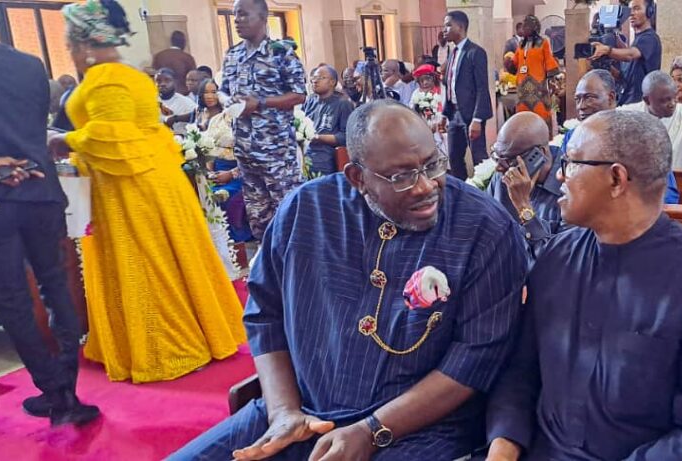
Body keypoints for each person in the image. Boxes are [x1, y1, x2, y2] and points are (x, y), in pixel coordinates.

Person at [171, 100, 527, 461]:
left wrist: (371, 430)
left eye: (432, 164)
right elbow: (265, 314)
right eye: (401, 175)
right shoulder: (304, 210)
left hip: (416, 431)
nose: (425, 186)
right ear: (357, 177)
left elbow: (474, 357)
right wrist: (282, 412)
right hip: (298, 413)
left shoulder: (485, 228)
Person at [484, 109, 682, 461]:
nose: (560, 175)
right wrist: (503, 449)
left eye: (571, 163)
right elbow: (520, 373)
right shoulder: (556, 258)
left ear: (616, 179)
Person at [47, 0, 246, 383]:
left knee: (146, 264)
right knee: (170, 259)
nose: (69, 48)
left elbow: (114, 135)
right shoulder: (131, 76)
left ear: (84, 41)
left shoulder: (107, 80)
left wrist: (64, 140)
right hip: (152, 179)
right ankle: (197, 333)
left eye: (70, 40)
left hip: (130, 189)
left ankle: (168, 347)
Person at [0, 0, 99, 426]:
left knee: (12, 301)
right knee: (55, 287)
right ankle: (67, 384)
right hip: (42, 191)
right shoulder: (31, 66)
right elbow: (35, 129)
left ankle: (53, 390)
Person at [220, 0, 307, 239]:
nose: (237, 20)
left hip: (276, 149)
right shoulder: (233, 54)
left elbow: (300, 94)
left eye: (244, 15)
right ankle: (267, 262)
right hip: (246, 149)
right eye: (235, 15)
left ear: (262, 17)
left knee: (288, 210)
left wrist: (261, 103)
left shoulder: (280, 52)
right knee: (258, 215)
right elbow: (224, 89)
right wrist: (229, 100)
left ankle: (296, 263)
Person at [569, 69, 680, 204]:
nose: (581, 106)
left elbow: (666, 195)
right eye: (577, 99)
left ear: (610, 98)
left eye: (589, 98)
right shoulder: (572, 137)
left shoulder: (640, 135)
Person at [485, 112, 564, 260]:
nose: (499, 168)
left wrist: (523, 206)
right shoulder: (503, 177)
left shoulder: (569, 186)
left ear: (538, 155)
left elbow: (557, 260)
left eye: (508, 160)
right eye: (497, 157)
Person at [196, 78, 252, 243]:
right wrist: (210, 174)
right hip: (218, 169)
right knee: (204, 194)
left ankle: (235, 240)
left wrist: (231, 174)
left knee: (222, 195)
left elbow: (253, 157)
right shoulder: (216, 120)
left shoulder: (250, 121)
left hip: (243, 172)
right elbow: (210, 150)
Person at [441, 10, 493, 179]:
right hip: (454, 114)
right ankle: (463, 191)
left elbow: (482, 88)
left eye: (448, 25)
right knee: (454, 158)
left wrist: (477, 119)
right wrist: (444, 113)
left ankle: (487, 192)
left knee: (479, 157)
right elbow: (449, 84)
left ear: (461, 27)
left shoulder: (475, 52)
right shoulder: (452, 53)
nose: (444, 29)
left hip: (471, 114)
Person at [590, 0, 661, 106]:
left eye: (637, 8)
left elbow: (630, 55)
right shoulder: (636, 41)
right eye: (630, 9)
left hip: (640, 105)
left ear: (649, 12)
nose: (631, 13)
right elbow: (623, 77)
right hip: (626, 102)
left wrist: (607, 50)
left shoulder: (650, 38)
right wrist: (606, 66)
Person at [302, 65, 353, 178]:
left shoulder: (343, 103)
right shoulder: (310, 100)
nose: (315, 81)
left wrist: (318, 138)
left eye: (320, 78)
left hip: (326, 158)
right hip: (304, 156)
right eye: (314, 78)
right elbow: (300, 123)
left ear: (332, 82)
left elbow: (346, 136)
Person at [513, 15, 561, 126]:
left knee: (541, 114)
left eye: (527, 25)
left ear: (534, 28)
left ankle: (543, 139)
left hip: (538, 87)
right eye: (524, 25)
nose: (524, 28)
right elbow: (515, 62)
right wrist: (508, 62)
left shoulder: (543, 43)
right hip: (522, 88)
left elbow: (549, 61)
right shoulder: (521, 44)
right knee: (522, 117)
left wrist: (552, 82)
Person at [151, 30, 196, 95]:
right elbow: (193, 78)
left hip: (162, 93)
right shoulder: (187, 58)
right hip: (183, 93)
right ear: (183, 42)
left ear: (171, 41)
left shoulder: (159, 56)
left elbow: (153, 74)